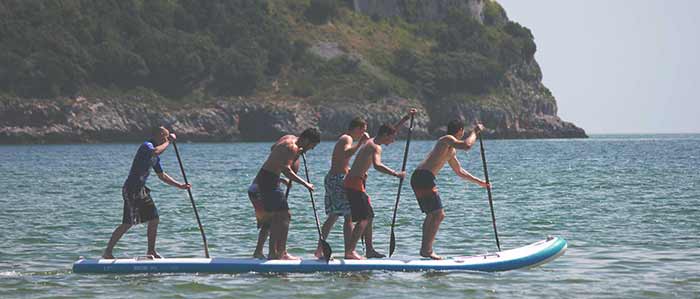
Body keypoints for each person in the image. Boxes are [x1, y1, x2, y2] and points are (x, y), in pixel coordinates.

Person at [102, 126, 191, 259]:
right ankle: (107, 252)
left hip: (142, 190)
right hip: (131, 189)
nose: (166, 140)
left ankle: (151, 251)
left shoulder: (155, 157)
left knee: (154, 219)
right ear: (160, 135)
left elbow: (161, 175)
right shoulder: (147, 146)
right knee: (128, 223)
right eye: (165, 137)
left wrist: (180, 185)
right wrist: (169, 142)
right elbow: (155, 151)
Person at [410, 120, 490, 260]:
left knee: (432, 214)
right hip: (423, 177)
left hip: (420, 177)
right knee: (439, 214)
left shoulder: (451, 150)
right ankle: (427, 250)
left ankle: (425, 249)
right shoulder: (446, 139)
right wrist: (475, 132)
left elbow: (459, 171)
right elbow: (467, 145)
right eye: (464, 131)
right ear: (460, 130)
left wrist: (481, 183)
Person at [343, 109, 416, 260]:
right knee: (364, 218)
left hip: (356, 184)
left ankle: (369, 250)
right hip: (354, 185)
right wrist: (396, 174)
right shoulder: (375, 146)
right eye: (392, 138)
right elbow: (377, 165)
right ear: (385, 136)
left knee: (369, 216)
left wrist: (405, 118)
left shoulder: (374, 140)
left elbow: (391, 129)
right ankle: (350, 251)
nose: (393, 140)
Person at [251, 128, 321, 260]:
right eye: (312, 145)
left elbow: (274, 149)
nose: (311, 149)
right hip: (268, 182)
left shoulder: (288, 138)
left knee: (274, 218)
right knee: (284, 216)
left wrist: (284, 162)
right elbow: (286, 170)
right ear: (306, 140)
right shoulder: (292, 147)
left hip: (265, 178)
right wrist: (306, 184)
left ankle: (269, 252)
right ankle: (281, 253)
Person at [313, 117, 370, 259]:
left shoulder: (345, 139)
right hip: (337, 180)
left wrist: (352, 171)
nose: (363, 133)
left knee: (333, 216)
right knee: (348, 216)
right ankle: (349, 251)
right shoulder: (347, 139)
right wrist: (360, 144)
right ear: (357, 128)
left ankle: (320, 249)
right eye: (363, 130)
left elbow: (341, 161)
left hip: (334, 178)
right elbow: (345, 154)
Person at [248, 159, 299, 259]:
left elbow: (270, 175)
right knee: (272, 220)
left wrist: (280, 180)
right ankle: (275, 252)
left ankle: (259, 251)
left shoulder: (274, 159)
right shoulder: (283, 155)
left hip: (254, 189)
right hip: (259, 190)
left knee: (268, 222)